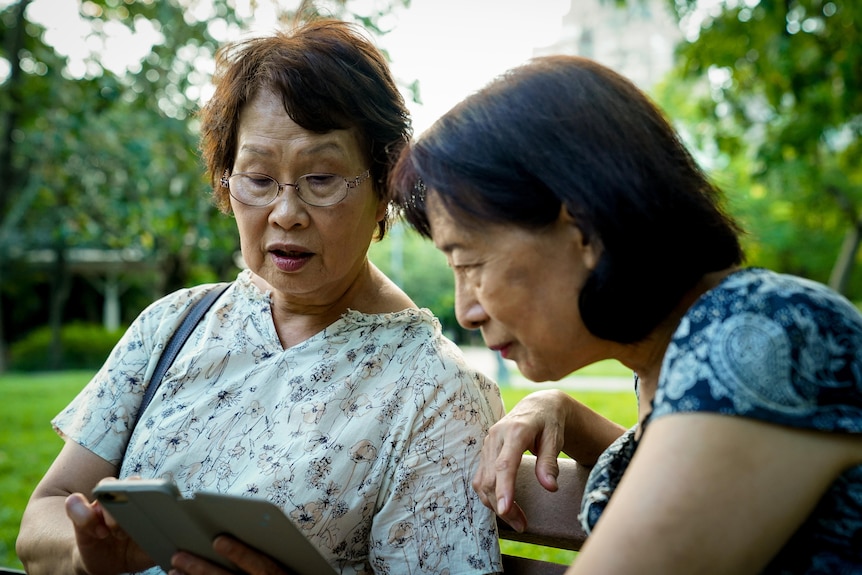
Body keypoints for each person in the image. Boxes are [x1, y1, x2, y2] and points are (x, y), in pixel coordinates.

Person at [16, 19, 504, 575]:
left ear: (384, 185)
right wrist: (88, 555)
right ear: (227, 182)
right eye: (258, 177)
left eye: (321, 177)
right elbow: (45, 514)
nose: (286, 212)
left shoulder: (436, 389)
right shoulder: (174, 324)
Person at [390, 54, 862, 574]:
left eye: (471, 262)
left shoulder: (762, 334)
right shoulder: (686, 353)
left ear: (586, 228)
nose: (466, 309)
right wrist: (569, 415)